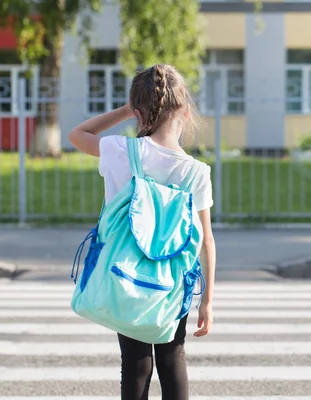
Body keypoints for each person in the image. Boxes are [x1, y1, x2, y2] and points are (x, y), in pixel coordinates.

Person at [68, 64, 216, 400]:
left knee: (135, 363)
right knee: (172, 358)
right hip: (173, 282)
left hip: (125, 277)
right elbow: (206, 241)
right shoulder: (196, 173)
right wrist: (207, 301)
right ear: (186, 111)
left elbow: (77, 135)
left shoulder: (121, 151)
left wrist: (124, 111)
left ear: (137, 111)